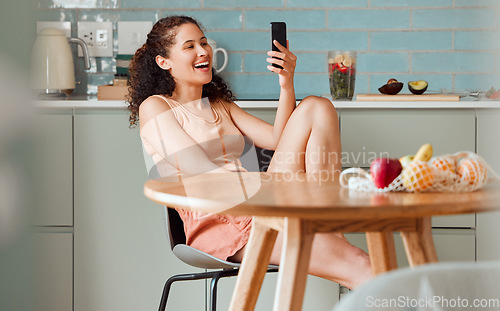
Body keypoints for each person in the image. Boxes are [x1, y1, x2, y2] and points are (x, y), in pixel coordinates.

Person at [127, 15, 372, 289]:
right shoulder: (156, 107)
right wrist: (278, 190)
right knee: (362, 265)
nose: (203, 51)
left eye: (204, 43)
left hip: (257, 203)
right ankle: (324, 226)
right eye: (189, 46)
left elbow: (279, 139)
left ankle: (325, 222)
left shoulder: (220, 105)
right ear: (164, 62)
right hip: (221, 221)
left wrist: (286, 83)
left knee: (318, 106)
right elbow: (201, 173)